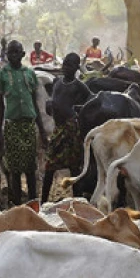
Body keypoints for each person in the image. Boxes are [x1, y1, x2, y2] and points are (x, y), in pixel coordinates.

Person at [0, 40, 48, 206]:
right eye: (10, 52)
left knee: (31, 168)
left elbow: (35, 103)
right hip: (12, 126)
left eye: (16, 52)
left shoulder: (30, 74)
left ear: (23, 54)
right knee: (15, 170)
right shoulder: (1, 75)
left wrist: (42, 130)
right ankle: (18, 204)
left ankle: (33, 204)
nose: (13, 56)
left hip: (28, 126)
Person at [42, 52, 92, 202]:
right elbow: (53, 101)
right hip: (58, 129)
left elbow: (91, 101)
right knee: (49, 166)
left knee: (74, 167)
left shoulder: (79, 86)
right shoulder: (57, 82)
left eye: (69, 65)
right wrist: (49, 105)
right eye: (64, 64)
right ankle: (43, 201)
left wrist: (77, 111)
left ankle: (77, 201)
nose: (66, 67)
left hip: (71, 130)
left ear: (76, 67)